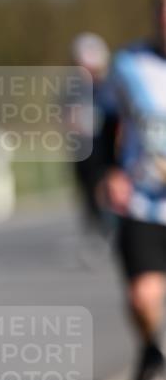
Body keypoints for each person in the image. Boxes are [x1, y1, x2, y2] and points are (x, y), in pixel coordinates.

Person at [97, 0, 166, 380]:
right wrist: (108, 171)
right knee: (141, 296)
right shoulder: (127, 66)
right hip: (143, 199)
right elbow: (105, 123)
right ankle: (150, 350)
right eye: (162, 7)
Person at [66, 33, 114, 245]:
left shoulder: (109, 86)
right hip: (83, 150)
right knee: (88, 194)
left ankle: (110, 226)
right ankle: (95, 229)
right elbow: (66, 118)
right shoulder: (71, 89)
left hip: (104, 148)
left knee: (105, 189)